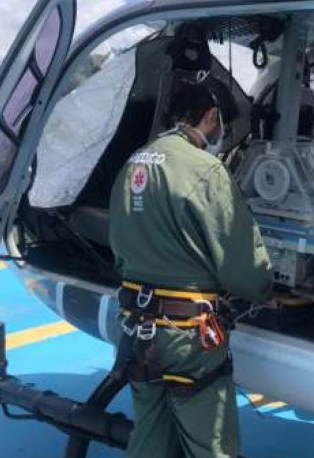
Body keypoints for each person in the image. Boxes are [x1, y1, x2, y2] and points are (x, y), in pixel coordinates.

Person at [108, 77, 274, 458]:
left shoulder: (133, 162)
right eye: (224, 128)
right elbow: (244, 267)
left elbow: (118, 249)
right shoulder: (205, 169)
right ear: (211, 116)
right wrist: (266, 289)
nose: (223, 136)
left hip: (136, 327)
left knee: (150, 438)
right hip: (188, 337)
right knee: (211, 446)